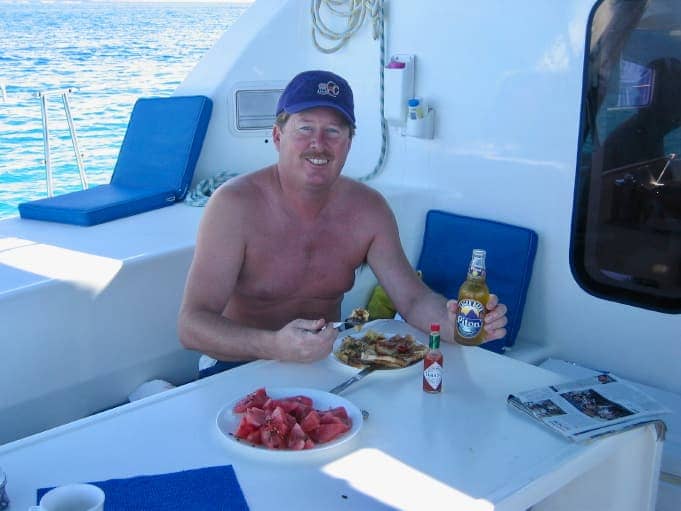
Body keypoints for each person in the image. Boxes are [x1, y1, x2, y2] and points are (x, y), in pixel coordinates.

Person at [178, 70, 508, 368]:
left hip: (326, 365)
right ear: (277, 137)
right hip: (240, 365)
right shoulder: (234, 206)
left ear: (348, 143)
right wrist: (273, 346)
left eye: (333, 131)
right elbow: (192, 325)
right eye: (304, 128)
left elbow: (413, 298)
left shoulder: (369, 210)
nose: (318, 144)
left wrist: (453, 326)